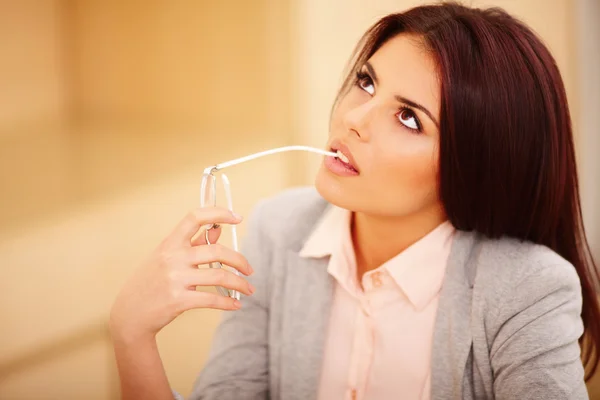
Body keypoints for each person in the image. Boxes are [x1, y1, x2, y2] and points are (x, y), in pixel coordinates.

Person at [109, 2, 600, 399]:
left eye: (408, 117)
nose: (355, 118)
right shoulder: (277, 231)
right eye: (367, 82)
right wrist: (131, 335)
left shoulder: (526, 290)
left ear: (475, 164)